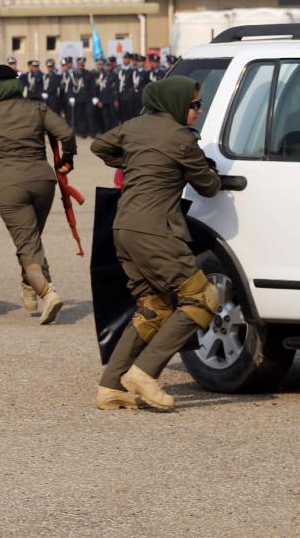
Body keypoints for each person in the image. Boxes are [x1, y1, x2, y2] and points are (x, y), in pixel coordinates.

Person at [91, 76, 221, 411]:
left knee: (154, 308)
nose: (199, 110)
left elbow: (100, 146)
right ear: (178, 104)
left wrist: (135, 160)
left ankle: (111, 386)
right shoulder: (181, 138)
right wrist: (210, 171)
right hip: (156, 233)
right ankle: (144, 373)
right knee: (202, 297)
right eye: (194, 105)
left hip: (123, 229)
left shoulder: (134, 126)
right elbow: (207, 186)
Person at [0, 64, 76, 325]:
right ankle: (29, 287)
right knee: (31, 239)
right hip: (43, 182)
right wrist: (67, 158)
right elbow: (66, 133)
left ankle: (47, 292)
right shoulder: (37, 108)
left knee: (27, 242)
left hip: (9, 186)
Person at [96, 57, 121, 134]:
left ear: (112, 66)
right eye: (106, 65)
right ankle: (106, 133)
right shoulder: (101, 75)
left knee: (113, 117)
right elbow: (99, 89)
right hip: (103, 100)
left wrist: (116, 100)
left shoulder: (115, 75)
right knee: (105, 118)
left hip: (112, 100)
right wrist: (99, 100)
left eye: (109, 65)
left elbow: (116, 88)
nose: (108, 67)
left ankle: (114, 133)